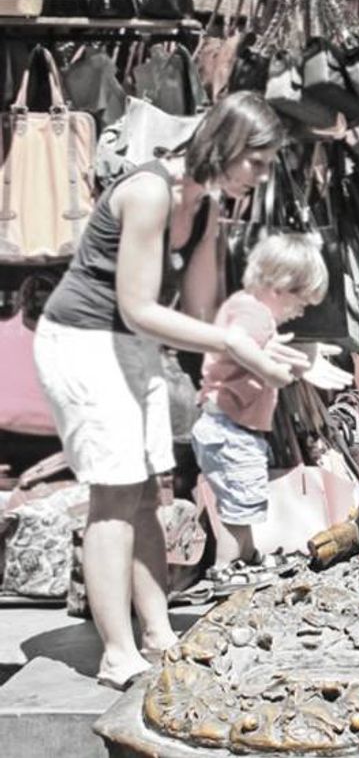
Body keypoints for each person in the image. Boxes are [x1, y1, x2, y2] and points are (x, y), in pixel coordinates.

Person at [33, 91, 314, 689]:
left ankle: (158, 631)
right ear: (230, 145)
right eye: (258, 163)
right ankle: (116, 651)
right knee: (113, 491)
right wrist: (239, 348)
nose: (261, 178)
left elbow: (203, 314)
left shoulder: (206, 208)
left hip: (132, 347)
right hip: (82, 340)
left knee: (147, 494)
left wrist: (260, 345)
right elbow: (138, 308)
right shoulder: (150, 190)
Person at [191, 232, 336, 589]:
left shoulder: (243, 305)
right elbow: (238, 342)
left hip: (228, 424)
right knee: (238, 504)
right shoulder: (253, 315)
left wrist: (287, 355)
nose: (300, 312)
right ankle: (226, 566)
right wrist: (273, 372)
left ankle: (250, 556)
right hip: (231, 426)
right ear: (279, 287)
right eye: (299, 303)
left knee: (244, 497)